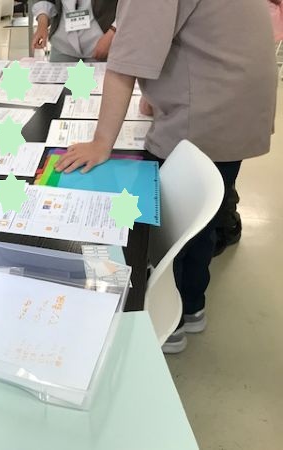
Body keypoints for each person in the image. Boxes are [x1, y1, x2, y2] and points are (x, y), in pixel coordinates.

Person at [54, 0, 277, 352]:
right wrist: (161, 95)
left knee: (165, 229)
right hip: (238, 104)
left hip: (205, 114)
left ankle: (167, 321)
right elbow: (200, 35)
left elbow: (124, 64)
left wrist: (101, 142)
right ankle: (192, 306)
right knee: (200, 223)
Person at [31, 0, 118, 62]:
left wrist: (112, 33)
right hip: (62, 44)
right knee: (58, 82)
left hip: (102, 43)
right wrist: (42, 23)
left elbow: (126, 8)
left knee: (102, 82)